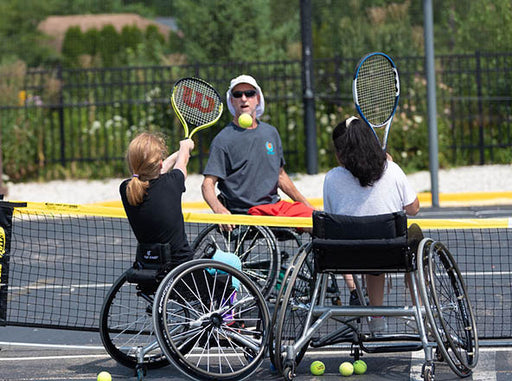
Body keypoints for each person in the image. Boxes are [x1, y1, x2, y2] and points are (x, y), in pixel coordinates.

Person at [323, 116, 420, 332]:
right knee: (413, 238)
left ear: (340, 154)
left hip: (346, 256)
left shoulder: (331, 178)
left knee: (368, 248)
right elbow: (413, 208)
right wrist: (392, 166)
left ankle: (376, 317)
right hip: (392, 253)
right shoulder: (392, 170)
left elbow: (332, 217)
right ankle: (419, 310)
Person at [201, 74, 314, 229]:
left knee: (317, 221)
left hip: (274, 208)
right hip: (246, 213)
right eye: (237, 94)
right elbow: (207, 184)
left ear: (258, 98)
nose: (244, 98)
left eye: (249, 93)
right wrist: (219, 209)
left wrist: (307, 205)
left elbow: (280, 176)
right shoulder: (223, 140)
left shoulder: (270, 133)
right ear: (231, 101)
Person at [120, 132, 195, 272]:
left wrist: (180, 152)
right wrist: (185, 147)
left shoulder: (126, 189)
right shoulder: (172, 182)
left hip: (148, 268)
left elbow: (152, 174)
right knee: (231, 262)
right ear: (160, 162)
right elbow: (182, 164)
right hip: (181, 270)